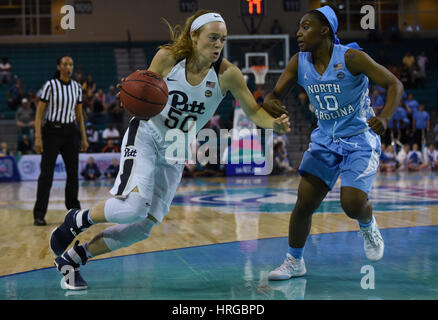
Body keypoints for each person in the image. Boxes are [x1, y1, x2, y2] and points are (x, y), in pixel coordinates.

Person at [49, 9, 290, 290]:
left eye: (222, 39)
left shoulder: (228, 74)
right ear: (194, 35)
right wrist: (129, 95)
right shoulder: (168, 58)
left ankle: (73, 258)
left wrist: (275, 124)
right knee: (134, 208)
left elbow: (254, 112)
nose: (218, 45)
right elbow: (143, 89)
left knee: (143, 227)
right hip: (147, 135)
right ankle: (78, 218)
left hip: (176, 148)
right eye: (212, 38)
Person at [263, 5, 403, 280]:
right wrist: (271, 102)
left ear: (325, 30)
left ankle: (367, 223)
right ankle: (294, 261)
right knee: (304, 202)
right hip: (326, 140)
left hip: (360, 140)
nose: (299, 33)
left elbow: (394, 84)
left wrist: (385, 117)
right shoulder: (299, 61)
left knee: (351, 203)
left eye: (306, 27)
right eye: (299, 27)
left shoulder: (352, 57)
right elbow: (274, 94)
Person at [33, 56, 88, 226]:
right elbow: (39, 113)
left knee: (73, 173)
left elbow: (79, 115)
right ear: (59, 67)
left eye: (71, 64)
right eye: (65, 64)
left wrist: (84, 137)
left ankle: (73, 211)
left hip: (71, 132)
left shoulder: (77, 87)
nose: (68, 67)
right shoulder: (50, 85)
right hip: (52, 132)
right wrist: (38, 137)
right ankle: (39, 214)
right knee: (46, 174)